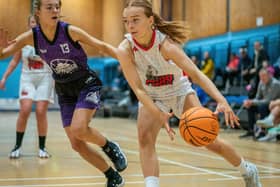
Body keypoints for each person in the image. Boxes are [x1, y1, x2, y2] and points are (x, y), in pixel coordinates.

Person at [117, 0, 262, 187]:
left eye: (135, 20)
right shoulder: (125, 49)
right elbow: (137, 89)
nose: (130, 26)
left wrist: (221, 100)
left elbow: (196, 74)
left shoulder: (166, 46)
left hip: (179, 91)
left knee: (208, 140)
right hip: (150, 94)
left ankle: (247, 169)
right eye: (126, 21)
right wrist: (157, 113)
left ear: (150, 20)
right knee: (145, 138)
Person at [0, 0, 127, 186]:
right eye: (49, 7)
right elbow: (4, 54)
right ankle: (112, 176)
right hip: (64, 90)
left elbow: (101, 46)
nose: (55, 10)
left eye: (57, 7)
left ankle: (110, 146)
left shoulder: (69, 31)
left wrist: (127, 60)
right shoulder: (32, 37)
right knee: (76, 144)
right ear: (38, 12)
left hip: (86, 85)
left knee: (79, 128)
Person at [0, 15, 53, 159]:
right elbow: (14, 61)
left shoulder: (49, 39)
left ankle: (42, 147)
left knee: (41, 111)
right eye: (32, 22)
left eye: (37, 22)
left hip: (45, 77)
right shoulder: (22, 40)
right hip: (27, 78)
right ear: (29, 24)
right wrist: (4, 78)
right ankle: (17, 146)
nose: (35, 25)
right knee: (25, 109)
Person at [241, 68, 280, 139]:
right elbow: (257, 97)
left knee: (262, 106)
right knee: (250, 107)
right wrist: (250, 102)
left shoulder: (275, 84)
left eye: (264, 76)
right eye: (260, 76)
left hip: (273, 105)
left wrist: (252, 102)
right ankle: (251, 130)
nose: (262, 78)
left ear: (269, 75)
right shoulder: (261, 82)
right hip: (266, 104)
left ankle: (262, 131)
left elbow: (268, 100)